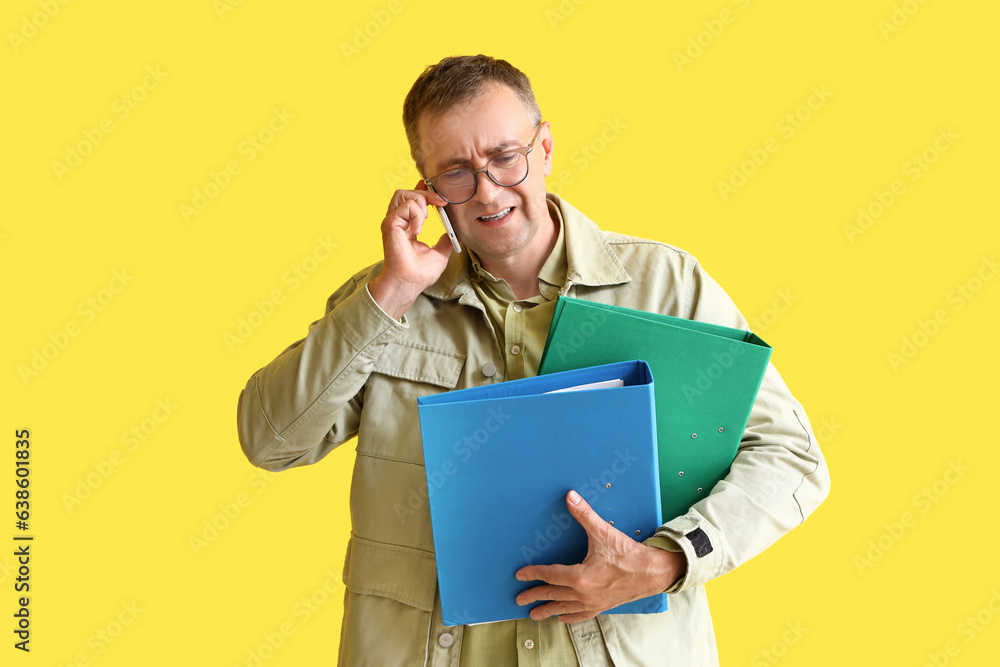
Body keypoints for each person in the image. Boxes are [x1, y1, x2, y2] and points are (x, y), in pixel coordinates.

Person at [237, 54, 830, 666]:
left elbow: (791, 455)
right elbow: (270, 439)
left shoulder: (668, 285)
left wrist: (666, 562)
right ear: (426, 188)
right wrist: (389, 293)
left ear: (544, 148)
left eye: (504, 157)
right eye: (456, 173)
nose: (488, 191)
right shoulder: (383, 302)